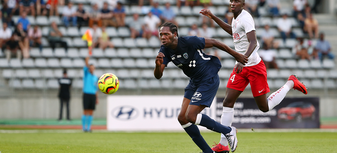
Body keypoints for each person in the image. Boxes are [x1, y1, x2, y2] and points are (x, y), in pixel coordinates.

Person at [200, 0, 308, 152]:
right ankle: (224, 143)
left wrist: (242, 61)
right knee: (227, 102)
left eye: (236, 1)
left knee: (264, 107)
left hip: (253, 67)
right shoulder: (236, 18)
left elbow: (254, 42)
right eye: (231, 0)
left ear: (243, 3)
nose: (232, 3)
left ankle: (291, 82)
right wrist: (212, 16)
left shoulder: (246, 18)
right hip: (241, 66)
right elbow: (232, 31)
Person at [154, 22, 248, 153]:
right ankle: (208, 151)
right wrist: (158, 65)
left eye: (166, 34)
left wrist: (236, 55)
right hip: (194, 82)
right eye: (161, 34)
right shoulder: (164, 50)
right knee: (182, 118)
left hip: (208, 78)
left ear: (175, 34)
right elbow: (158, 76)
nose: (163, 37)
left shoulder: (189, 41)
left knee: (191, 116)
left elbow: (215, 42)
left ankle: (228, 130)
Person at [82, 54, 99, 132]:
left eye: (93, 68)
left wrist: (97, 97)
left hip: (93, 95)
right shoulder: (86, 74)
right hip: (86, 94)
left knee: (91, 111)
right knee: (85, 111)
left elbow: (96, 88)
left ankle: (88, 127)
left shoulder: (95, 77)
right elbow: (86, 65)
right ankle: (84, 127)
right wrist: (87, 60)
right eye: (90, 67)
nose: (91, 69)